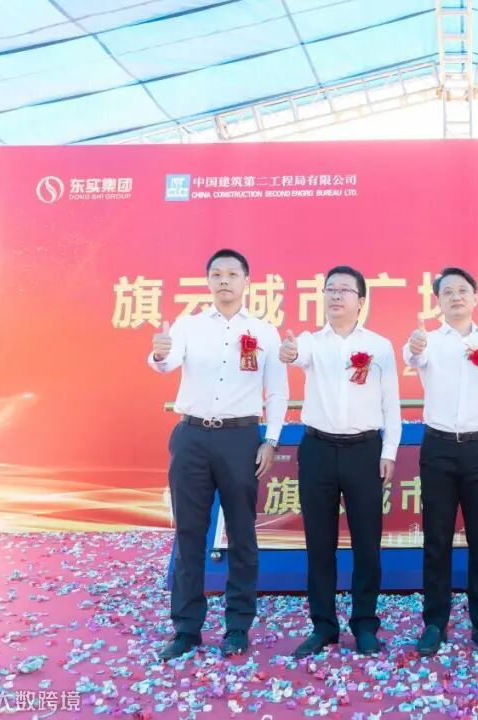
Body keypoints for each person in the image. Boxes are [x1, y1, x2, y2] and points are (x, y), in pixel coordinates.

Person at [150, 248, 287, 660]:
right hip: (192, 436)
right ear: (208, 281)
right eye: (216, 274)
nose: (224, 280)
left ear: (246, 282)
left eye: (232, 274)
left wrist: (271, 440)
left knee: (242, 533)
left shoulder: (265, 332)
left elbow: (277, 392)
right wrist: (159, 353)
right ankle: (186, 629)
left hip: (240, 438)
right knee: (189, 533)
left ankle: (237, 627)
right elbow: (166, 363)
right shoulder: (188, 325)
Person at [279, 265, 401, 657]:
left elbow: (391, 405)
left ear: (360, 301)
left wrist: (389, 452)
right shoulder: (312, 342)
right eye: (330, 289)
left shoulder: (380, 346)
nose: (335, 296)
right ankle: (323, 626)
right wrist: (289, 352)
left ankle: (364, 624)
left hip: (364, 451)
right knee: (320, 543)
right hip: (318, 450)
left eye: (344, 290)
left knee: (367, 544)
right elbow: (295, 355)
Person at [404, 267, 478, 655]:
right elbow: (413, 357)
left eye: (462, 290)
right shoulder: (430, 341)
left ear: (475, 298)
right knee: (436, 539)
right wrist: (415, 346)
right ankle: (435, 623)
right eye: (448, 292)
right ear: (438, 301)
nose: (456, 297)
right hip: (438, 448)